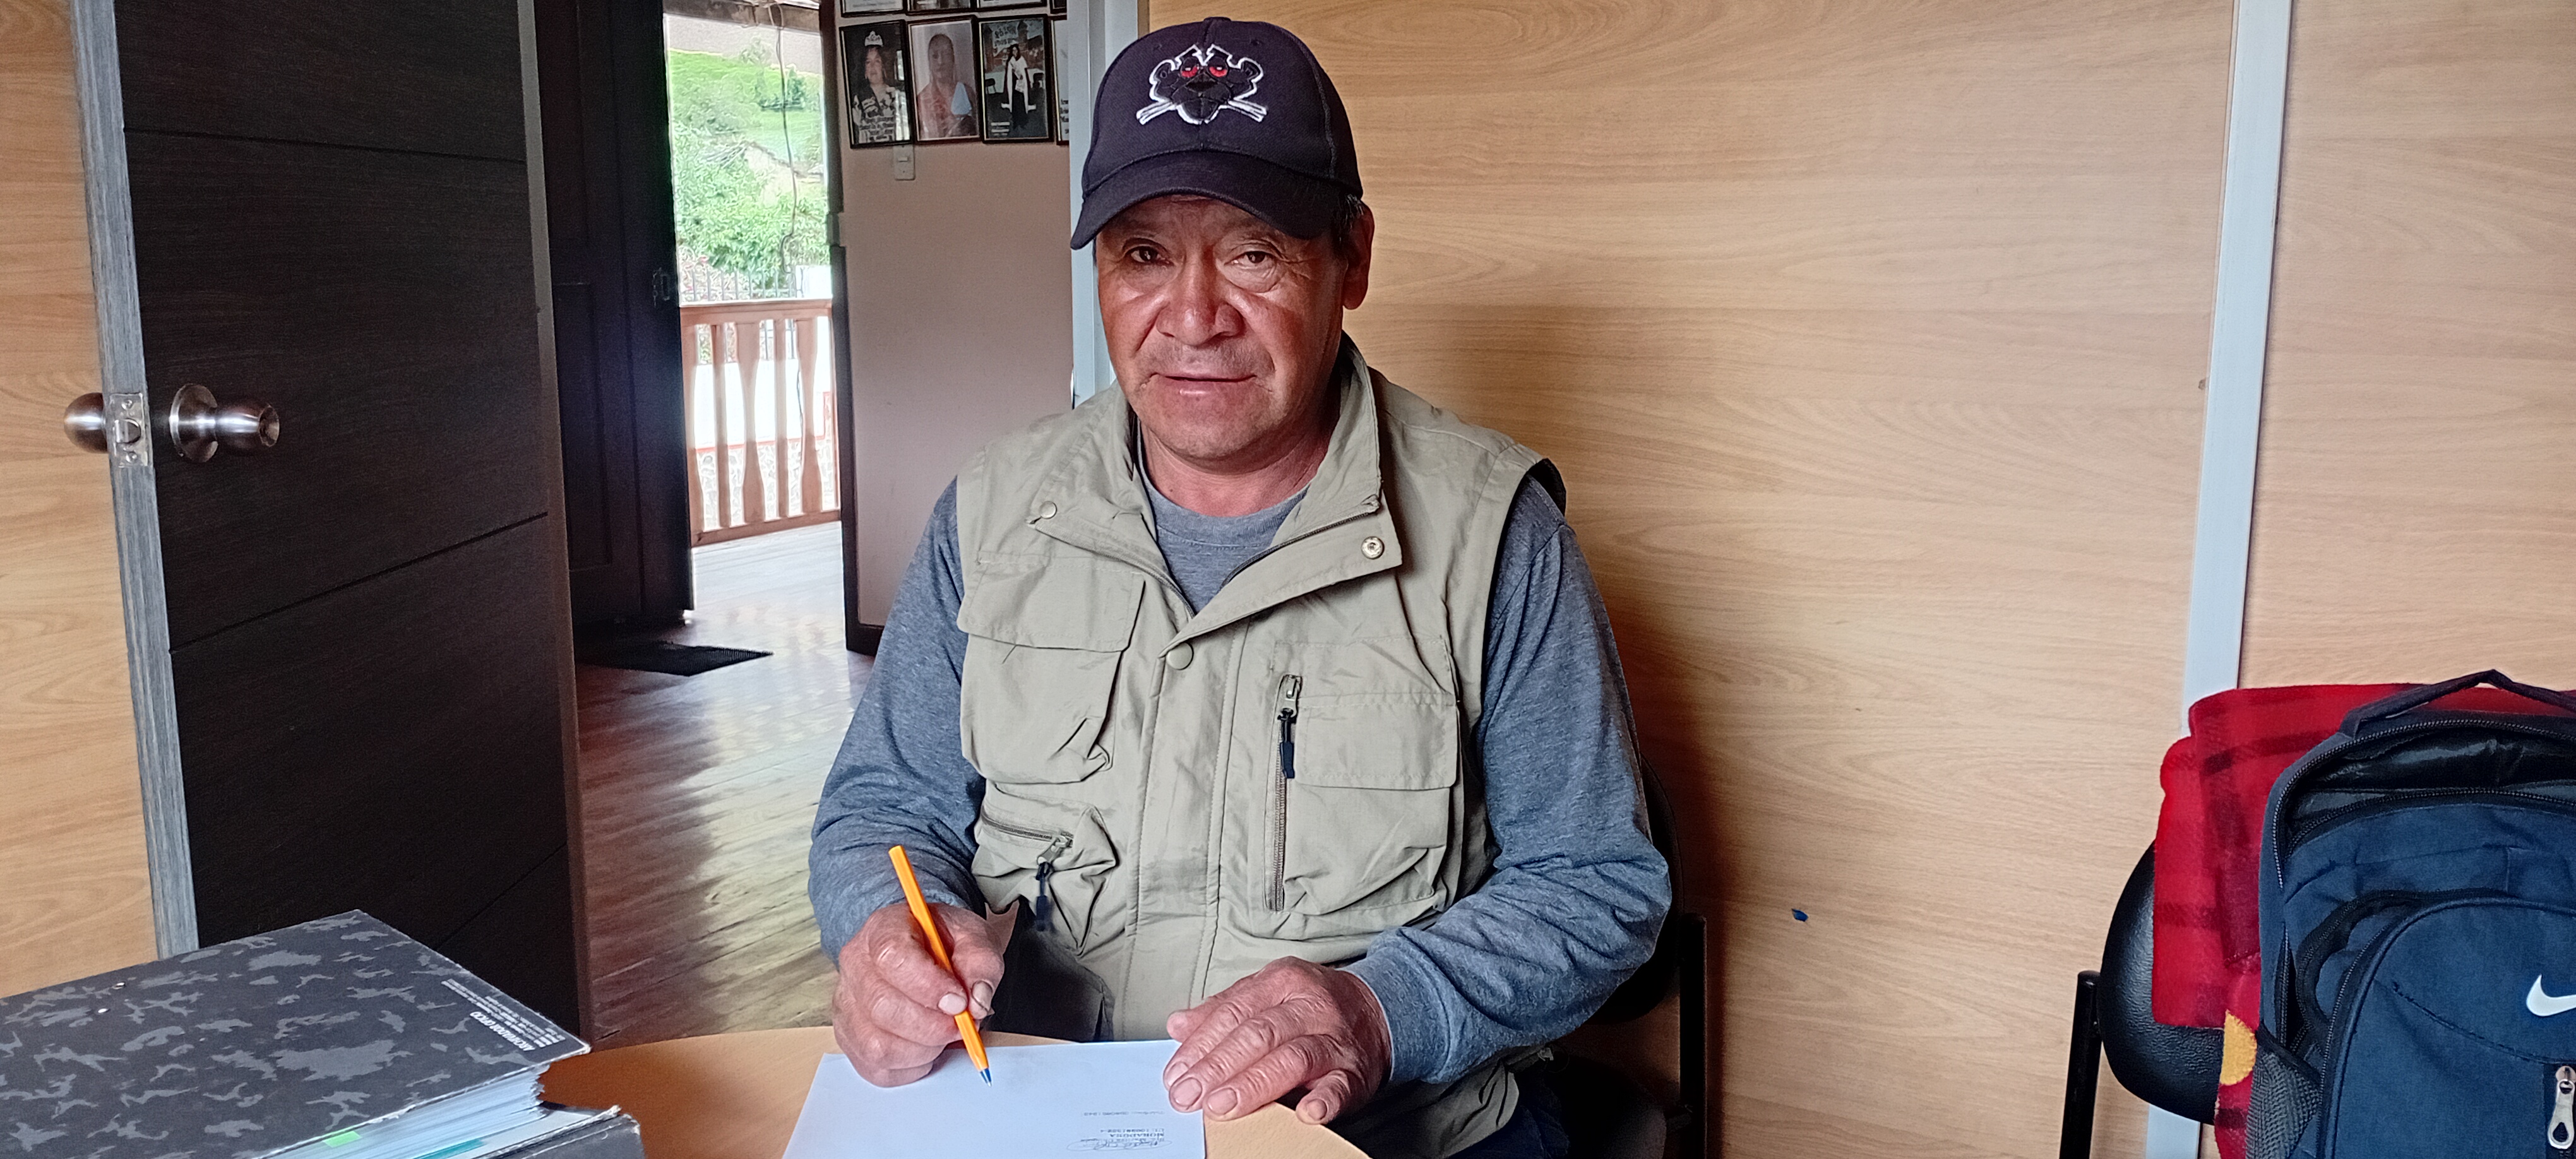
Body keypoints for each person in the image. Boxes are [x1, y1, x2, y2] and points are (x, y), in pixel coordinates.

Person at [810, 18, 1668, 1159]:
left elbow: (1596, 883)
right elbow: (885, 808)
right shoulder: (992, 513)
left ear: (1352, 259)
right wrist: (885, 934)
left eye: (1256, 252)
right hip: (1038, 1114)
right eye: (1143, 254)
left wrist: (1378, 1010)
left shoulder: (1496, 532)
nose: (1194, 317)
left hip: (1387, 1136)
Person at [914, 32, 975, 139]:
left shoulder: (967, 92)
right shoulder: (922, 100)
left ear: (953, 58)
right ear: (929, 61)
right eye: (935, 56)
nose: (941, 62)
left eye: (946, 55)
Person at [849, 32, 907, 146]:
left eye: (877, 61)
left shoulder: (898, 96)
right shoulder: (858, 99)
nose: (872, 67)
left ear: (884, 66)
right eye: (868, 62)